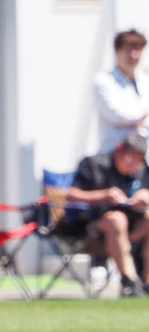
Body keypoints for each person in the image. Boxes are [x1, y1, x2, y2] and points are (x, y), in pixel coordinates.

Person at [67, 133, 149, 297]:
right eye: (130, 157)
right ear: (119, 149)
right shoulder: (94, 164)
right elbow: (70, 194)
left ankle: (146, 282)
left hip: (133, 230)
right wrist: (103, 195)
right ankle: (129, 280)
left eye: (138, 160)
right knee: (117, 219)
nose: (134, 164)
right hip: (94, 228)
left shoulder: (142, 171)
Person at [93, 31, 149, 154]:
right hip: (113, 156)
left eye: (137, 51)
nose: (133, 56)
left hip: (142, 158)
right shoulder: (104, 81)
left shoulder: (144, 81)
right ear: (117, 52)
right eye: (129, 50)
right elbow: (118, 114)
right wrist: (143, 114)